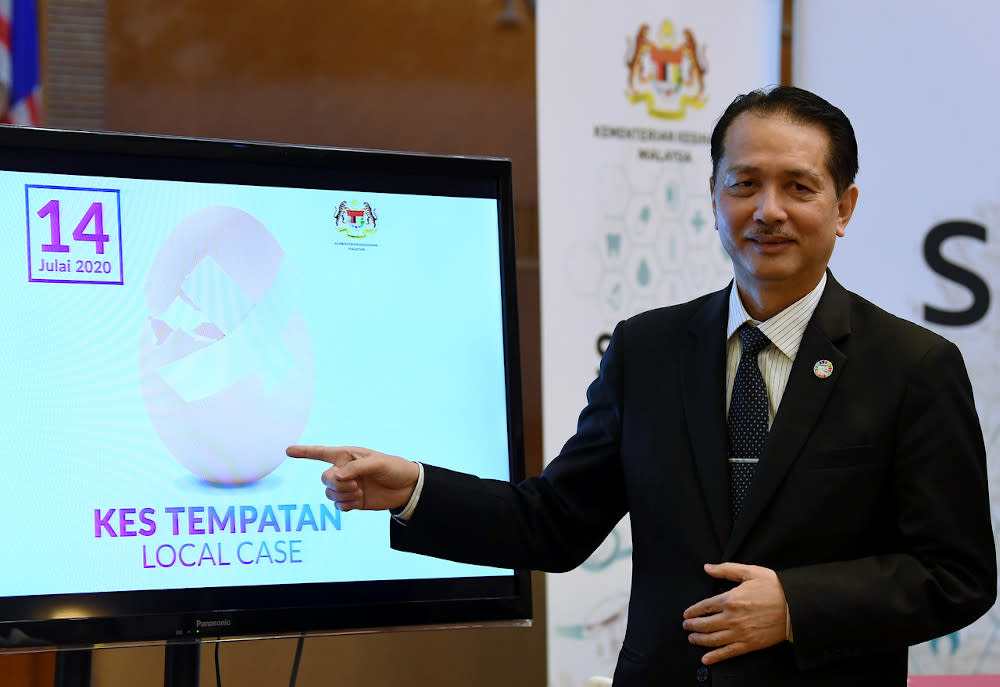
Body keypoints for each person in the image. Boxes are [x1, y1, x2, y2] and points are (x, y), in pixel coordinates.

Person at [287, 86, 996, 685]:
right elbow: (554, 522)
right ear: (714, 197)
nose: (767, 209)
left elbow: (957, 574)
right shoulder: (648, 349)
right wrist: (414, 488)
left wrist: (797, 604)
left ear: (843, 207)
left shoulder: (911, 365)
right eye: (744, 183)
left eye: (799, 186)